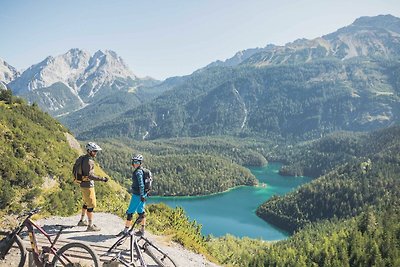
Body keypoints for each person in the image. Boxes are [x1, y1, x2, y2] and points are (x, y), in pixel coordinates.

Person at [77, 142, 108, 231]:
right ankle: (90, 225)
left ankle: (81, 221)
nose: (96, 153)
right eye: (94, 151)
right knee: (91, 205)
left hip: (82, 184)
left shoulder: (83, 158)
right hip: (87, 185)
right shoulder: (89, 161)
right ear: (89, 151)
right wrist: (102, 179)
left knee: (86, 202)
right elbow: (90, 176)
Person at [118, 154, 148, 236]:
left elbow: (141, 185)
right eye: (134, 161)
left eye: (137, 162)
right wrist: (143, 195)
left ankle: (126, 231)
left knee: (130, 212)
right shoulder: (142, 170)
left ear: (140, 163)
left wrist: (141, 195)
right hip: (143, 195)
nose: (135, 163)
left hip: (138, 195)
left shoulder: (138, 172)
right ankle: (142, 230)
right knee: (141, 212)